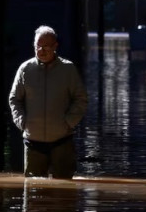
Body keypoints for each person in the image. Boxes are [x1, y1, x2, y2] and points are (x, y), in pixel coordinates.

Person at [8, 25, 88, 179]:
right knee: (33, 193)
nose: (41, 50)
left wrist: (68, 122)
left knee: (64, 192)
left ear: (55, 46)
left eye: (46, 46)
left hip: (62, 141)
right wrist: (22, 122)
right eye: (37, 46)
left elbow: (81, 99)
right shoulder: (25, 69)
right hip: (32, 142)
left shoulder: (68, 70)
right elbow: (14, 99)